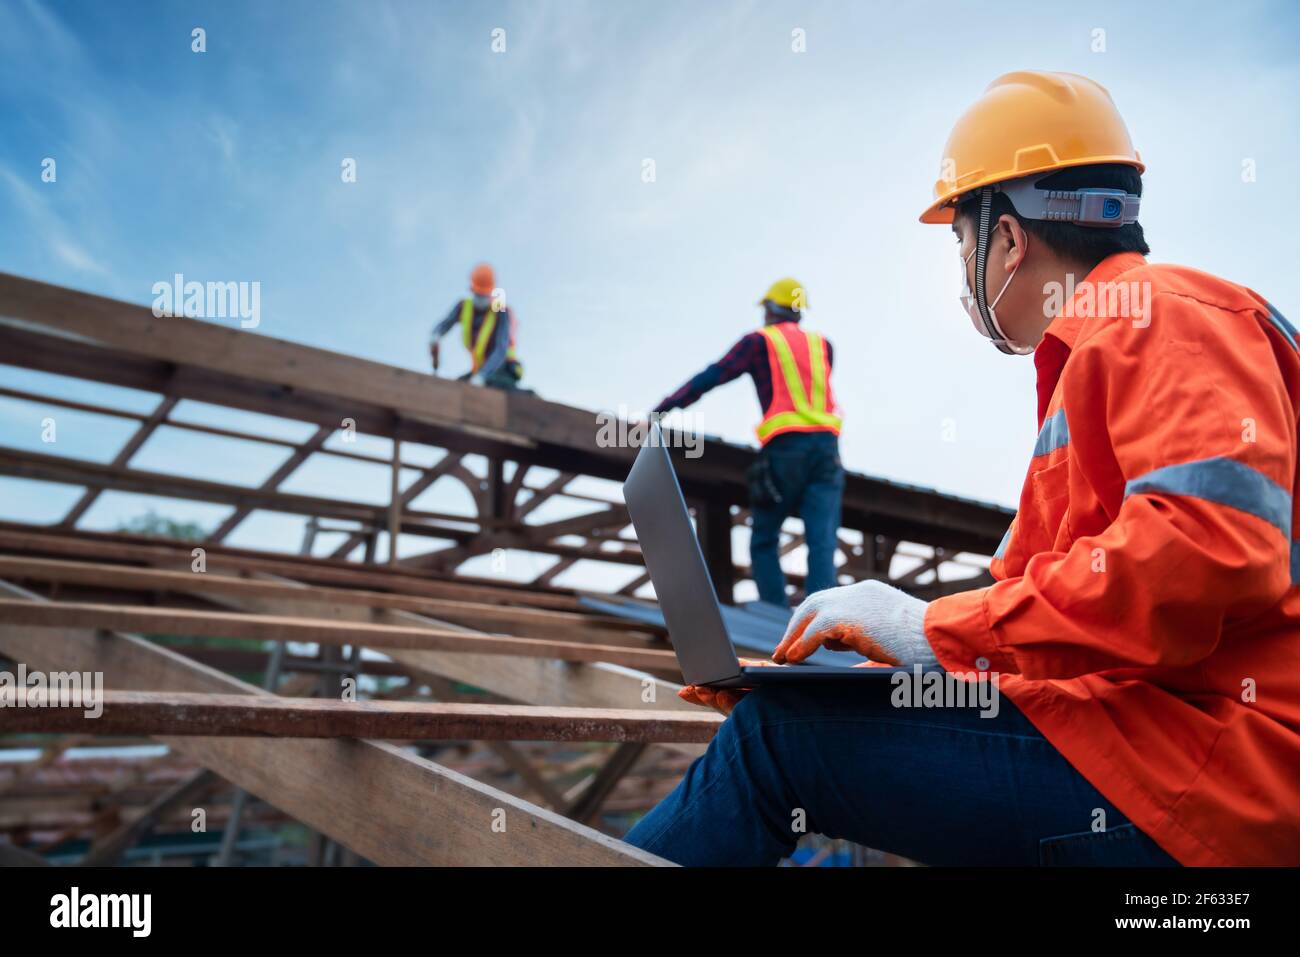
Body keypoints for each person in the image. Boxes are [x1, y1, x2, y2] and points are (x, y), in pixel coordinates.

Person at [626, 71, 1300, 866]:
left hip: (1218, 775)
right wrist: (862, 665)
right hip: (1159, 748)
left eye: (962, 240)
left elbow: (1203, 552)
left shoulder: (1163, 313)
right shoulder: (1088, 367)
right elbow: (1024, 621)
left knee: (774, 745)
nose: (964, 268)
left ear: (1010, 240)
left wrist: (926, 631)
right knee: (793, 722)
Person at [653, 278, 844, 607]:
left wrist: (662, 410)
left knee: (765, 538)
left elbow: (714, 375)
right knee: (822, 539)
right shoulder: (822, 345)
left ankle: (775, 615)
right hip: (828, 451)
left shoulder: (759, 342)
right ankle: (822, 620)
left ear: (770, 309)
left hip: (786, 449)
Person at [430, 262, 524, 390]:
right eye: (478, 294)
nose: (481, 298)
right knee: (457, 388)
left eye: (484, 295)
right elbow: (445, 324)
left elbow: (501, 348)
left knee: (493, 387)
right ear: (472, 290)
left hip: (503, 368)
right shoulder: (464, 306)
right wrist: (435, 336)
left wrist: (482, 376)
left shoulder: (500, 310)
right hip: (479, 370)